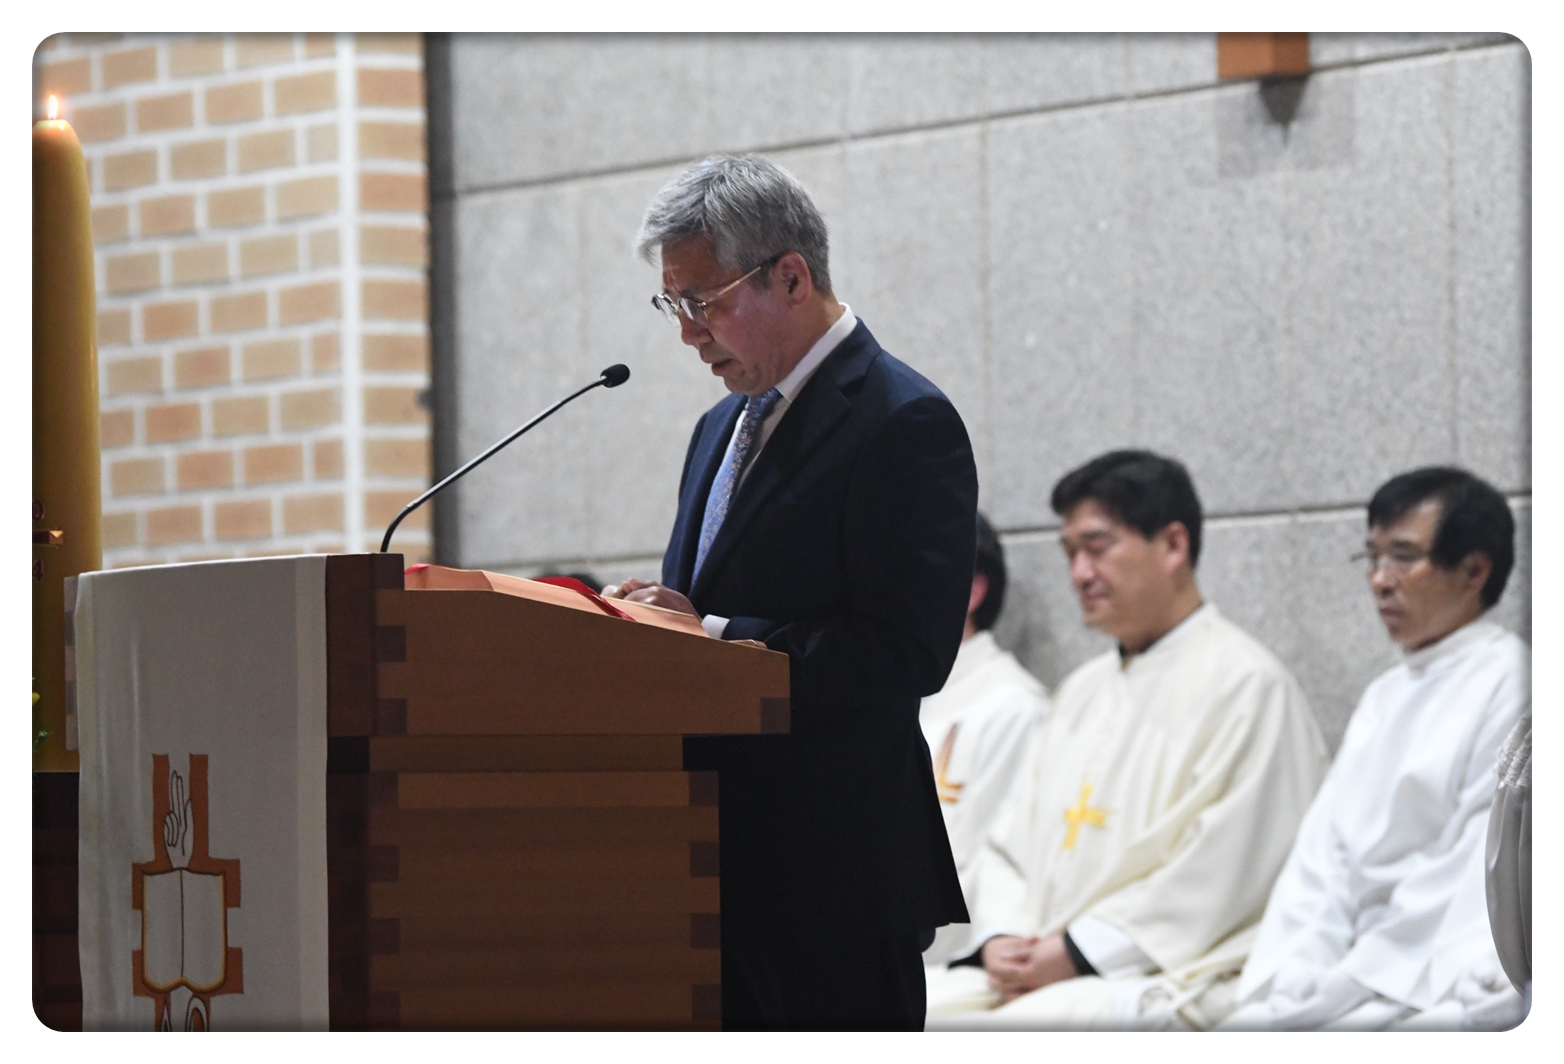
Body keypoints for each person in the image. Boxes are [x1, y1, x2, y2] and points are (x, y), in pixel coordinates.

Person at [600, 154, 978, 1030]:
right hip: (710, 868)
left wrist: (712, 636)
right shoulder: (717, 427)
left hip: (835, 883)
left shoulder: (902, 419)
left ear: (792, 277)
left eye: (703, 301)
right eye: (672, 304)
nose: (688, 333)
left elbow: (908, 651)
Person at [925, 450, 1328, 1030]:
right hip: (1044, 965)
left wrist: (1077, 953)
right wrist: (1003, 936)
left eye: (1097, 547)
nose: (1079, 574)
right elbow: (1010, 844)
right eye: (1070, 553)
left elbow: (1224, 869)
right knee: (875, 1012)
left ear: (1173, 545)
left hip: (1164, 971)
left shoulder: (1246, 685)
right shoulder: (1081, 692)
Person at [1219, 466, 1529, 1031]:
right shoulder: (1383, 694)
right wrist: (1304, 960)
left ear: (1474, 571)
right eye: (1372, 558)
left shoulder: (1514, 682)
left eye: (1403, 557)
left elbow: (1475, 861)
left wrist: (1363, 975)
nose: (1380, 581)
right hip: (1353, 960)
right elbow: (1325, 852)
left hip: (1435, 967)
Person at [919, 511, 1049, 966]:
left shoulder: (1014, 708)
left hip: (950, 963)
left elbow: (987, 873)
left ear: (972, 590)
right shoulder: (894, 698)